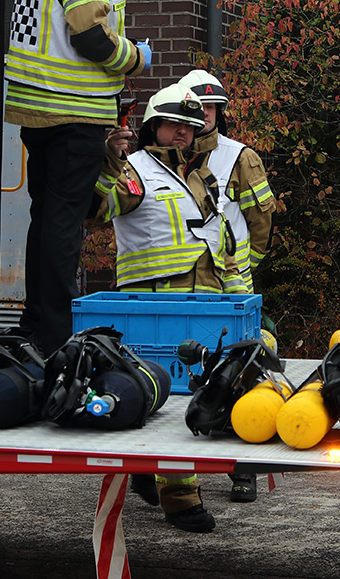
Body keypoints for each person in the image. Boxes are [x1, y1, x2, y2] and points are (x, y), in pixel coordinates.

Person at [4, 0, 151, 356]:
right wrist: (136, 57)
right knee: (63, 226)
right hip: (71, 113)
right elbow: (90, 37)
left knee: (46, 220)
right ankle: (53, 336)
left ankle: (36, 324)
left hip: (40, 110)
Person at [91, 83, 243, 533]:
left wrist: (235, 298)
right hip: (154, 304)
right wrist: (107, 160)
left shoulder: (200, 175)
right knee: (174, 399)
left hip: (208, 300)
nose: (182, 134)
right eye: (174, 124)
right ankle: (180, 498)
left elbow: (220, 242)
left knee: (195, 392)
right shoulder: (134, 171)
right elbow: (97, 209)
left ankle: (146, 472)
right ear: (152, 126)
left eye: (191, 127)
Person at [180, 68, 275, 503]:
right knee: (182, 370)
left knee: (242, 372)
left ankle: (243, 469)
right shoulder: (159, 154)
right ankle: (167, 472)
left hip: (230, 285)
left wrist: (243, 270)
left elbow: (261, 223)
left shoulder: (240, 157)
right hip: (178, 283)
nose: (204, 115)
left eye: (211, 107)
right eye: (196, 108)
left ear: (221, 111)